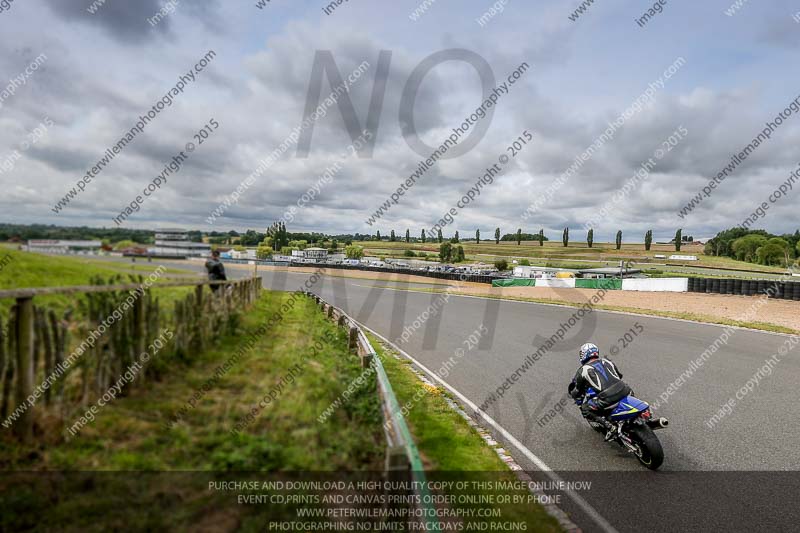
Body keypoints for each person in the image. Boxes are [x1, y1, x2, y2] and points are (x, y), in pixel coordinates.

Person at [568, 342, 631, 440]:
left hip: (607, 397)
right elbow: (619, 376)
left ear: (583, 355)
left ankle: (610, 426)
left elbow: (578, 391)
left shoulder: (583, 370)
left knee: (586, 408)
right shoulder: (607, 361)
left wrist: (574, 394)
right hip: (625, 389)